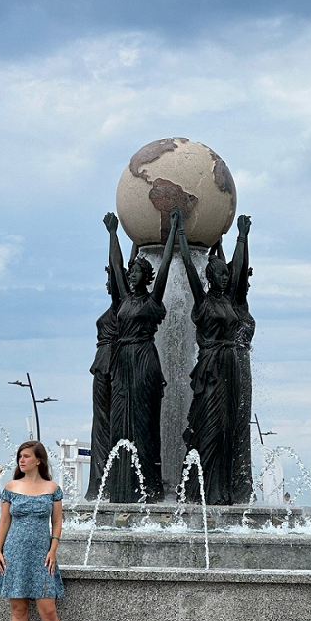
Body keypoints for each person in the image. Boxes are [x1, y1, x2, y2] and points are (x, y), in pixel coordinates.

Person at [104, 208, 179, 503]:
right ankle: (121, 487)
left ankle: (148, 487)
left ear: (146, 277)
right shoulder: (123, 298)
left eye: (136, 271)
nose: (131, 273)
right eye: (131, 270)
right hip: (123, 360)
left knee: (144, 423)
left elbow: (167, 263)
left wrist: (174, 232)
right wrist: (113, 234)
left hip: (144, 359)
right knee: (119, 421)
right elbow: (116, 263)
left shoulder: (152, 298)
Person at [178, 214, 250, 504]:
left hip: (230, 366)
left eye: (225, 274)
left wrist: (242, 237)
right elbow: (187, 264)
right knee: (210, 425)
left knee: (227, 428)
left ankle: (222, 490)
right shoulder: (203, 300)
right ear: (210, 277)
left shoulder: (229, 300)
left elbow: (239, 269)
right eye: (221, 274)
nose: (226, 277)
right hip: (210, 367)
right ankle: (199, 490)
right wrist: (179, 232)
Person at [0, 441, 73, 621]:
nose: (21, 460)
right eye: (20, 456)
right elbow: (4, 521)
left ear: (39, 460)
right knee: (18, 608)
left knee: (48, 608)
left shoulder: (52, 488)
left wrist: (53, 549)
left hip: (42, 554)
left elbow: (57, 521)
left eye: (26, 456)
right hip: (14, 552)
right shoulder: (11, 486)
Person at [85, 263, 120, 500]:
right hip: (102, 364)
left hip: (110, 364)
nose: (108, 284)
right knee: (100, 424)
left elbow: (118, 265)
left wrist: (114, 240)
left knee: (108, 423)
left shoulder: (121, 306)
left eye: (111, 279)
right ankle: (99, 482)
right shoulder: (117, 308)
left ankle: (107, 480)